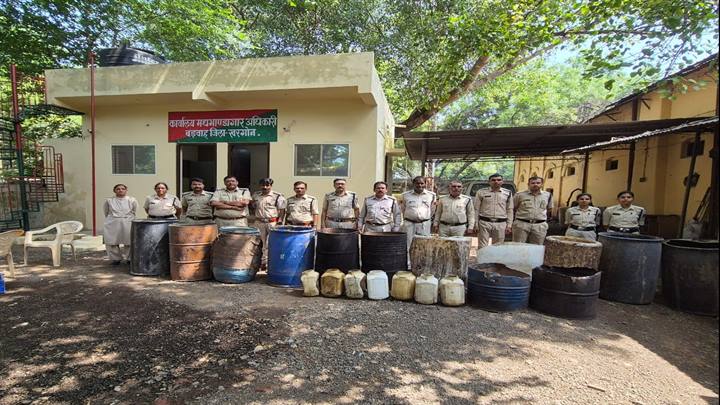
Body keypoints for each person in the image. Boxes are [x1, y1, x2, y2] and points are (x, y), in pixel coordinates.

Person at [251, 178, 286, 269]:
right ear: (260, 186)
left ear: (271, 186)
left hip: (272, 222)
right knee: (257, 242)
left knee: (269, 243)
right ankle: (258, 262)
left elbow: (282, 210)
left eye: (267, 185)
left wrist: (280, 221)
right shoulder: (255, 195)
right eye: (263, 185)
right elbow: (253, 206)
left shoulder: (277, 196)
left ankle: (267, 263)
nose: (265, 187)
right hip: (259, 222)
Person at [474, 173, 513, 247]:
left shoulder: (508, 193)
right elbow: (476, 209)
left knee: (498, 246)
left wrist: (509, 225)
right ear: (489, 182)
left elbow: (510, 209)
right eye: (493, 180)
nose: (496, 182)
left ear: (502, 182)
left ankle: (495, 255)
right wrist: (475, 223)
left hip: (500, 223)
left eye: (499, 180)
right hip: (484, 222)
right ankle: (483, 255)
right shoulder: (481, 192)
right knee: (482, 246)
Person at [103, 184, 138, 265]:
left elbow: (134, 210)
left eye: (123, 189)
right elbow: (106, 212)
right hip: (113, 222)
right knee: (112, 241)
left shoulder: (132, 200)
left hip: (128, 222)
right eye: (118, 189)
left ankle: (129, 258)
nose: (120, 190)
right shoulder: (109, 200)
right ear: (114, 191)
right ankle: (115, 259)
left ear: (126, 190)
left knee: (129, 241)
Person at [512, 176, 553, 244]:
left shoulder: (548, 195)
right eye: (533, 183)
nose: (535, 184)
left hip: (539, 225)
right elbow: (513, 208)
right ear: (528, 184)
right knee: (518, 246)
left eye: (538, 183)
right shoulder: (519, 195)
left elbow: (549, 209)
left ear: (542, 184)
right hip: (522, 224)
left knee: (537, 247)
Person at [400, 176, 435, 250]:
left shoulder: (431, 195)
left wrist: (424, 218)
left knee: (424, 245)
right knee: (408, 245)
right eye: (417, 183)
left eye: (422, 183)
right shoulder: (405, 195)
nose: (420, 185)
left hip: (424, 224)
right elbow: (403, 209)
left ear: (425, 184)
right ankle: (408, 258)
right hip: (409, 224)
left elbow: (432, 210)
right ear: (413, 184)